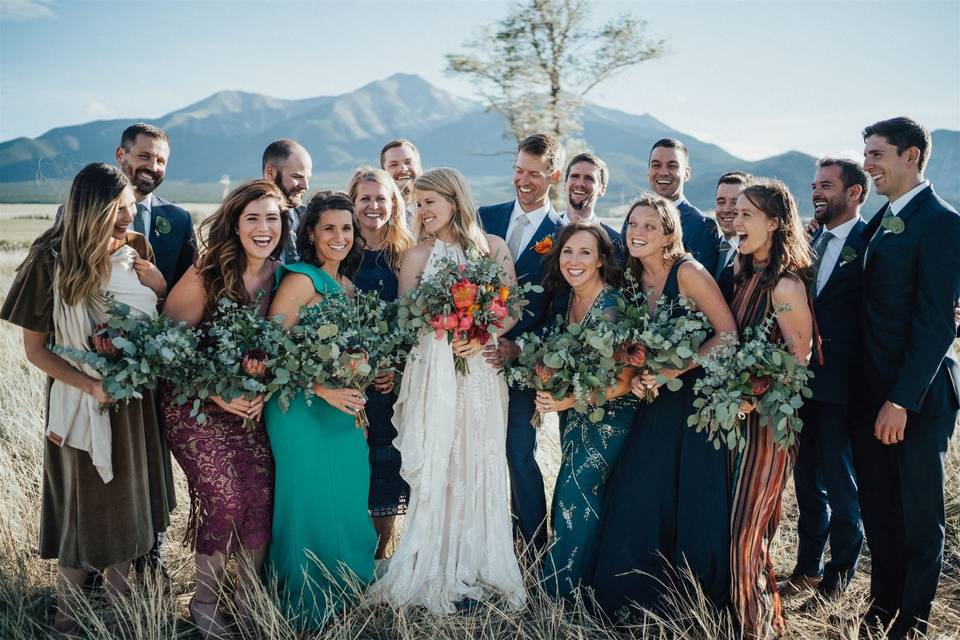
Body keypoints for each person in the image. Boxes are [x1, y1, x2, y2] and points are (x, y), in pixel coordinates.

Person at [0, 163, 172, 635]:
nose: (126, 220)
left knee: (131, 505)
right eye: (116, 211)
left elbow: (154, 321)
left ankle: (119, 616)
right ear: (88, 210)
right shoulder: (49, 262)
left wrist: (158, 286)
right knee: (85, 508)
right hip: (82, 404)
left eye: (131, 210)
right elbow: (35, 352)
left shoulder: (137, 248)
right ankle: (67, 620)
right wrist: (92, 385)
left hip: (135, 403)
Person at [367, 168, 526, 613]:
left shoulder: (492, 248)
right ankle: (431, 560)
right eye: (417, 204)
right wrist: (442, 325)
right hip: (434, 369)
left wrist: (482, 333)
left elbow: (511, 305)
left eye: (428, 202)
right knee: (440, 458)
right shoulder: (417, 256)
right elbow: (406, 320)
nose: (422, 211)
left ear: (453, 200)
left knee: (479, 455)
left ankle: (479, 561)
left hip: (480, 370)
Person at [589, 193, 737, 618]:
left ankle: (694, 602)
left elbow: (727, 335)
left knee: (689, 496)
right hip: (652, 400)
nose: (637, 232)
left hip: (693, 401)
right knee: (641, 493)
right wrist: (636, 373)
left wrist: (676, 369)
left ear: (669, 232)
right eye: (633, 224)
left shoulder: (688, 272)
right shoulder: (632, 279)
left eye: (649, 226)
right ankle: (634, 600)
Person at [158, 180, 287, 637]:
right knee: (225, 497)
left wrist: (265, 386)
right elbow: (165, 345)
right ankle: (204, 602)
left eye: (272, 218)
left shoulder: (282, 276)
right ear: (234, 223)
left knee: (262, 495)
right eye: (252, 217)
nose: (263, 227)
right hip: (192, 402)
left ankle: (250, 599)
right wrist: (214, 391)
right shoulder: (207, 271)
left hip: (249, 407)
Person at [853, 117, 960, 639]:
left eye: (877, 154)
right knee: (879, 506)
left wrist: (900, 400)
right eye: (866, 154)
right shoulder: (878, 222)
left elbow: (937, 322)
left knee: (919, 514)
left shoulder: (942, 223)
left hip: (915, 396)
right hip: (870, 395)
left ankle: (913, 619)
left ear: (912, 156)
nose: (868, 164)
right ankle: (882, 603)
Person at [265, 192, 378, 628]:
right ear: (310, 233)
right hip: (300, 408)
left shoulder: (348, 288)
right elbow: (271, 349)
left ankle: (344, 595)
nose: (340, 236)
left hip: (343, 409)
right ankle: (303, 607)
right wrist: (321, 389)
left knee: (348, 496)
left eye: (346, 228)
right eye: (329, 228)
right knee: (308, 501)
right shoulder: (300, 279)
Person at [778, 159, 868, 604]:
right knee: (806, 481)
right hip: (801, 385)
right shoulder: (808, 241)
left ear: (854, 193)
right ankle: (807, 569)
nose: (817, 193)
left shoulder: (872, 243)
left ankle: (838, 581)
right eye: (814, 185)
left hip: (845, 388)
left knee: (842, 485)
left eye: (827, 186)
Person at [728, 179, 814, 639]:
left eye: (747, 215)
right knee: (735, 527)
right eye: (735, 213)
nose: (735, 222)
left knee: (748, 532)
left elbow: (799, 360)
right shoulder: (745, 276)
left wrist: (751, 395)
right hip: (736, 423)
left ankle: (755, 628)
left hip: (768, 427)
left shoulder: (784, 284)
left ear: (776, 223)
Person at [533, 223, 636, 598]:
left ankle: (558, 593)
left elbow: (624, 381)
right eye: (567, 252)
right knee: (566, 490)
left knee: (576, 493)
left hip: (611, 417)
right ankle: (580, 585)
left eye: (585, 253)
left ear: (601, 260)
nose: (573, 261)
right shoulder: (570, 301)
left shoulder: (612, 307)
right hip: (577, 414)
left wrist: (566, 400)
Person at [479, 132, 565, 553]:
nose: (524, 180)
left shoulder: (564, 235)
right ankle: (486, 541)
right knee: (479, 451)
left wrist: (522, 349)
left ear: (554, 175)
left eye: (534, 173)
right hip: (474, 360)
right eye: (518, 170)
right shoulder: (485, 217)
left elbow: (562, 313)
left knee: (517, 451)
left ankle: (532, 545)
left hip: (525, 367)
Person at [346, 166, 415, 558]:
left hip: (392, 384)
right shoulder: (340, 252)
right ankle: (349, 552)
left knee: (386, 462)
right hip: (344, 382)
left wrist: (398, 367)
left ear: (394, 203)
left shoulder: (406, 256)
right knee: (352, 465)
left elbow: (416, 321)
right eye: (365, 198)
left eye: (381, 198)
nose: (373, 206)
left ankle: (378, 555)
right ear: (353, 203)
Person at [620, 138, 722, 271]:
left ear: (687, 173)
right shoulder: (634, 218)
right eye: (656, 165)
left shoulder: (702, 226)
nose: (663, 172)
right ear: (648, 171)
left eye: (672, 166)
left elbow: (701, 283)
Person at [115, 123, 196, 288]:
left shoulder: (180, 220)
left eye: (160, 161)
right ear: (121, 155)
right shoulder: (79, 211)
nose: (153, 167)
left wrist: (161, 287)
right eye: (145, 156)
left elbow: (190, 284)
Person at [560, 153, 624, 263]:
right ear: (565, 184)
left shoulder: (615, 242)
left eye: (589, 179)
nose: (580, 183)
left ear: (602, 190)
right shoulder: (544, 230)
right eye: (574, 176)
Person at [262, 139, 313, 263]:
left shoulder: (306, 217)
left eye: (307, 178)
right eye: (297, 176)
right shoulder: (243, 217)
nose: (305, 186)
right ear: (270, 172)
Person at [714, 171, 753, 279]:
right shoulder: (708, 244)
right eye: (721, 202)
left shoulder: (755, 254)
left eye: (735, 202)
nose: (726, 209)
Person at [379, 138, 422, 221]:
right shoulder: (378, 213)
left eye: (408, 162)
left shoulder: (435, 208)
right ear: (383, 172)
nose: (403, 169)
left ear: (419, 166)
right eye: (394, 165)